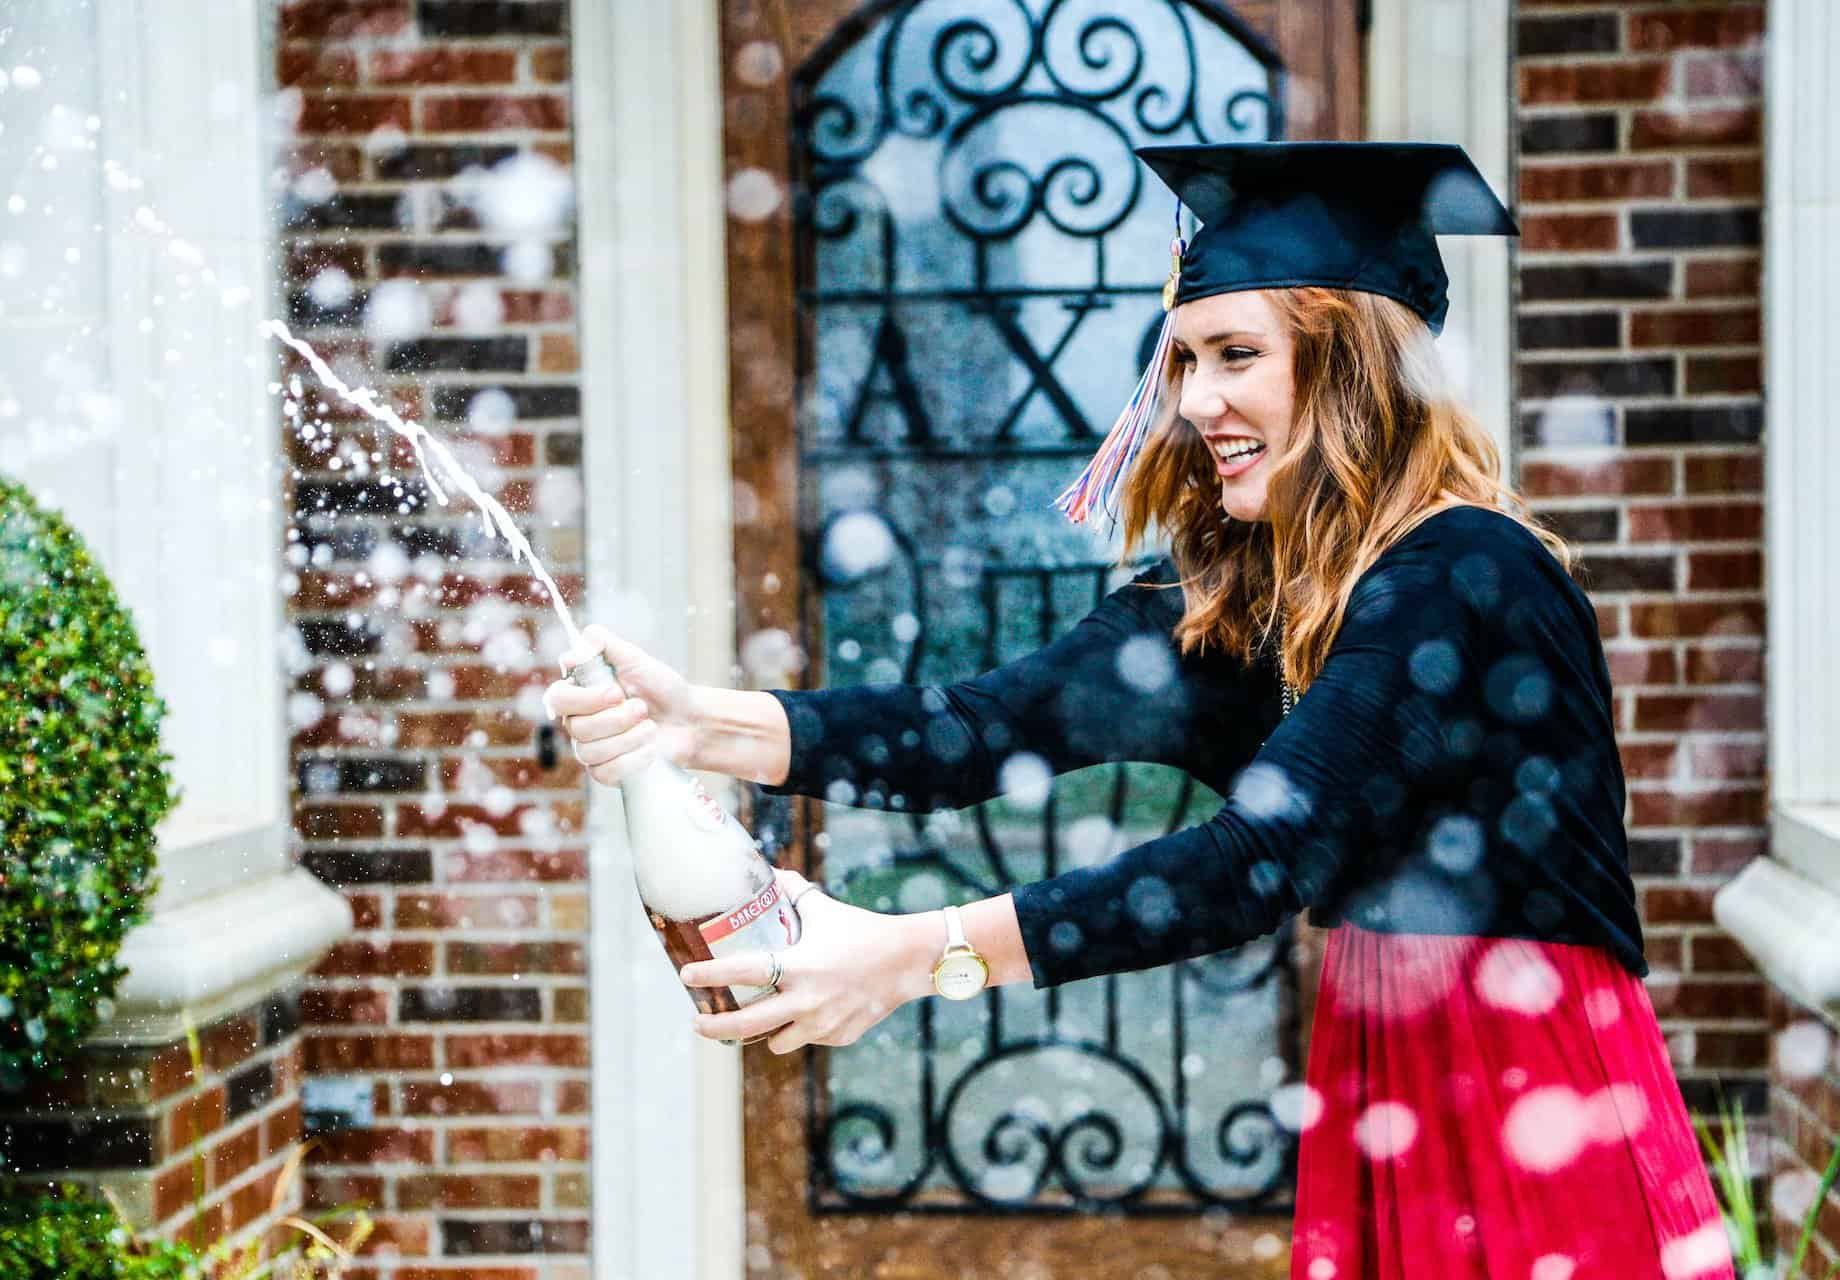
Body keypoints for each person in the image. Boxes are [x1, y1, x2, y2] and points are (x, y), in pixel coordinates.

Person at [545, 142, 1736, 1279]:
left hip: (1534, 1091)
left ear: (1350, 362)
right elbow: (981, 730)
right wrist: (702, 720)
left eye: (1233, 353)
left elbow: (1265, 852)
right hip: (1388, 1066)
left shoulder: (1467, 571)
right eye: (1182, 361)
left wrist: (915, 955)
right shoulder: (1245, 596)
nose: (1195, 399)